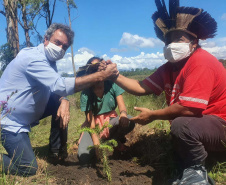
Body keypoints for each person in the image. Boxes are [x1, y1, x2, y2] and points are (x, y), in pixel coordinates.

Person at [111, 0, 226, 184]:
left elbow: (189, 109)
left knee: (182, 126)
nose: (171, 44)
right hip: (203, 128)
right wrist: (114, 75)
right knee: (180, 130)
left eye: (178, 39)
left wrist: (153, 115)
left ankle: (197, 174)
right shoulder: (168, 68)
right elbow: (141, 87)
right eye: (168, 40)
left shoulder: (201, 62)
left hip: (220, 124)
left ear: (193, 42)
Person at [0, 23, 118, 176]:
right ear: (46, 39)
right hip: (9, 120)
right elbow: (59, 85)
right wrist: (101, 76)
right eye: (57, 42)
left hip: (25, 116)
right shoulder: (33, 58)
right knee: (28, 168)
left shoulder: (50, 63)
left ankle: (56, 152)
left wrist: (64, 100)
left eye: (65, 46)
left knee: (60, 103)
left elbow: (54, 89)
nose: (60, 48)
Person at [77, 57, 135, 166]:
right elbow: (91, 124)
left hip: (110, 121)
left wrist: (123, 114)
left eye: (99, 68)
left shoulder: (111, 84)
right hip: (93, 125)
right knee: (83, 157)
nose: (98, 73)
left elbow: (122, 108)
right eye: (94, 70)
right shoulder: (86, 92)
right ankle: (101, 144)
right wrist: (97, 146)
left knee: (130, 120)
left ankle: (115, 140)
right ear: (89, 73)